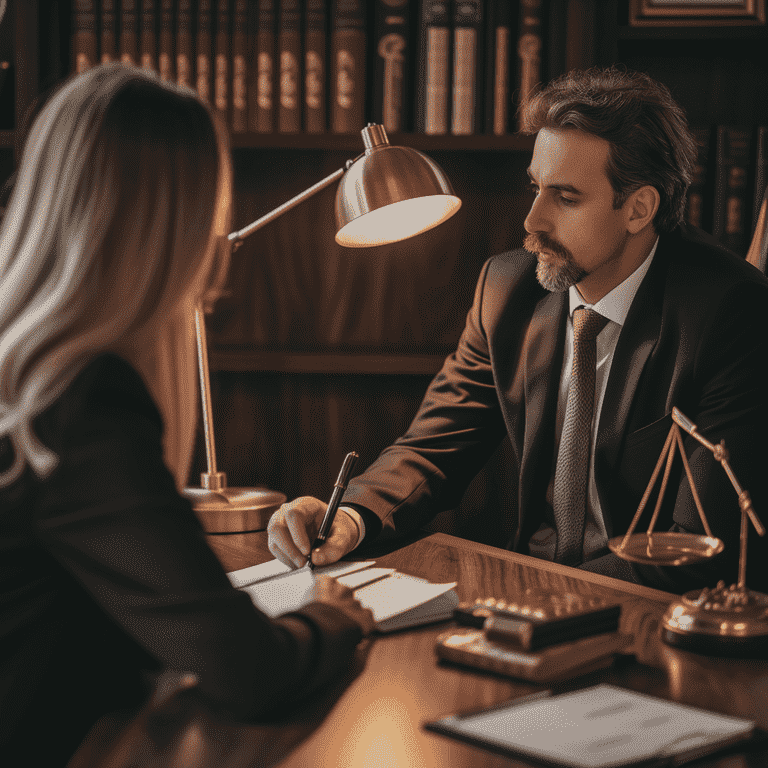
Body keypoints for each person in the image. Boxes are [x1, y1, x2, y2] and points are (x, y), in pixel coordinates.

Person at [268, 67, 768, 595]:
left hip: (646, 616)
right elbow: (432, 448)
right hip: (524, 598)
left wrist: (530, 597)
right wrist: (350, 517)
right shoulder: (507, 290)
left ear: (639, 208)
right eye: (535, 188)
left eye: (566, 198)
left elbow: (699, 546)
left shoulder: (732, 315)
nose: (532, 221)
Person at [0, 63, 373, 767]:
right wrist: (332, 618)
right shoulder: (84, 403)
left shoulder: (27, 373)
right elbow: (248, 671)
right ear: (174, 228)